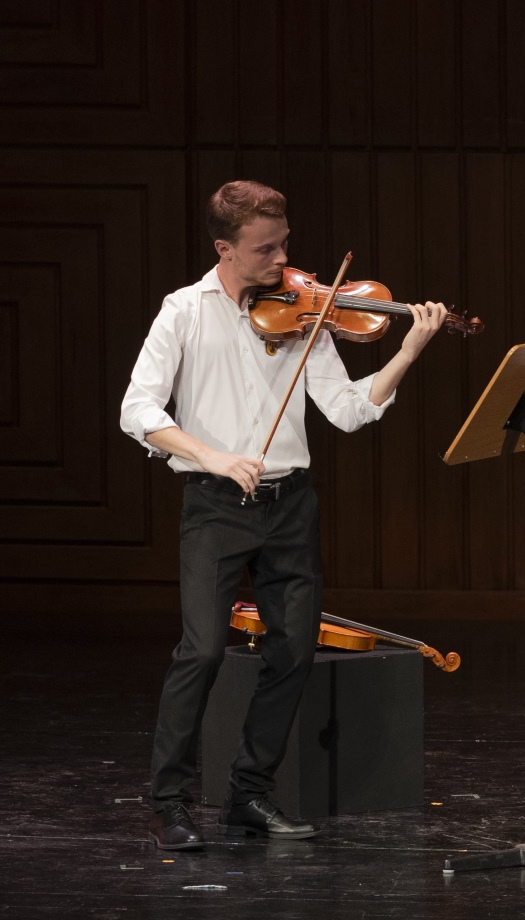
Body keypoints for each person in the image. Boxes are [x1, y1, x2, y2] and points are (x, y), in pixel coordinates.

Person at [120, 181, 449, 850]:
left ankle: (250, 793)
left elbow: (348, 412)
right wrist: (211, 455)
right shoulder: (184, 311)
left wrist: (408, 351)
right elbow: (138, 410)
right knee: (201, 650)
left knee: (293, 651)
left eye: (285, 244)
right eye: (265, 249)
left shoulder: (304, 313)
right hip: (216, 504)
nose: (283, 261)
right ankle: (168, 802)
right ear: (224, 248)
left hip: (290, 505)